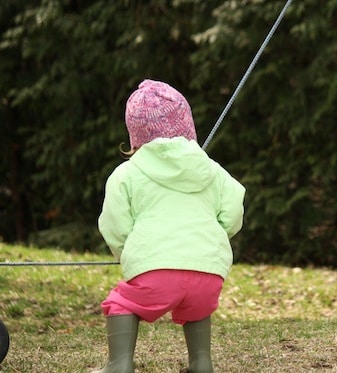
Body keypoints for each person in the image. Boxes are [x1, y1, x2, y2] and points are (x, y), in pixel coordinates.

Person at [93, 79, 245, 373]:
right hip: (209, 273)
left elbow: (114, 224)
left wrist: (128, 253)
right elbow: (234, 209)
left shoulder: (126, 173)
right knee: (197, 307)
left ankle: (119, 365)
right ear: (188, 128)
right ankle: (202, 363)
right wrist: (213, 238)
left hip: (155, 273)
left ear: (135, 136)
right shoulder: (211, 169)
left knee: (122, 303)